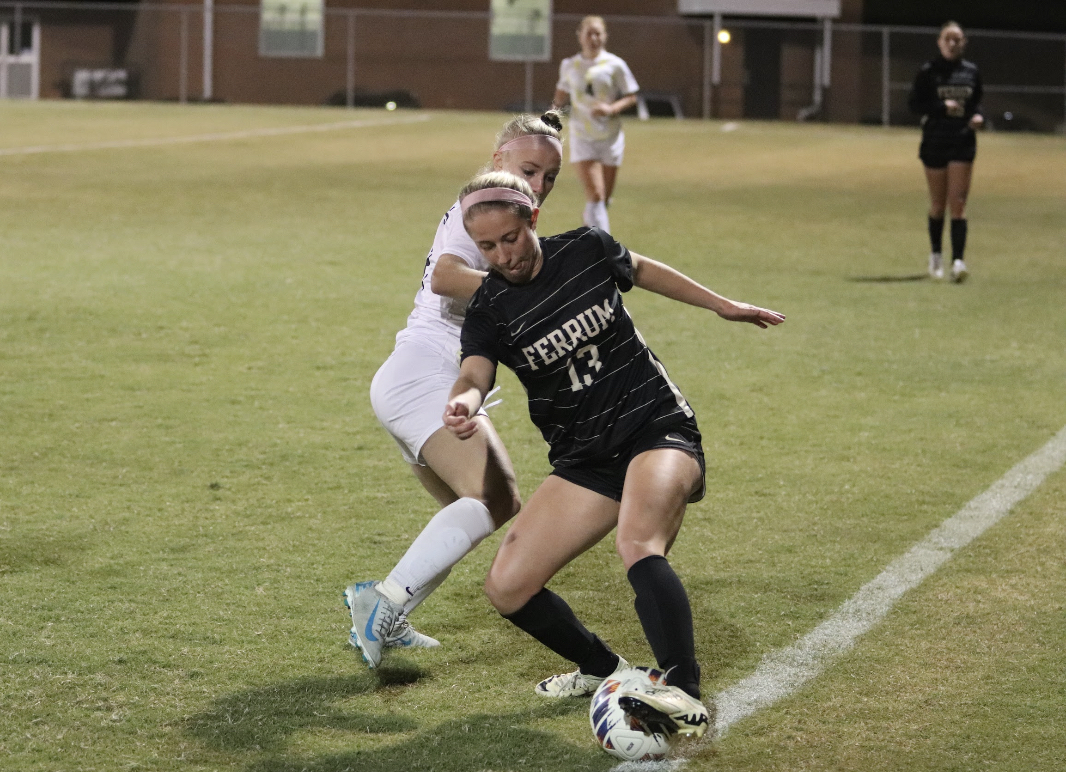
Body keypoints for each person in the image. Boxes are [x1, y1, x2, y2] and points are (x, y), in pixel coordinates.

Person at [442, 171, 785, 737]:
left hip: (656, 428)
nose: (503, 255)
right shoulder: (489, 307)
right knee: (506, 586)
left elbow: (642, 269)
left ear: (532, 220)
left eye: (510, 237)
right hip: (585, 459)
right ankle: (605, 670)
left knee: (637, 541)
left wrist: (721, 305)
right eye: (486, 246)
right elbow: (475, 369)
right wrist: (464, 401)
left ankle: (683, 694)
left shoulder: (584, 247)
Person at [345, 113, 564, 669]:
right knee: (497, 496)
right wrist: (524, 289)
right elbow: (445, 276)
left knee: (476, 510)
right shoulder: (474, 214)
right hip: (425, 375)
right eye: (529, 169)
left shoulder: (504, 228)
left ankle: (382, 609)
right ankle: (383, 604)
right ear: (497, 162)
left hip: (421, 379)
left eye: (549, 177)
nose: (538, 185)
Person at [908, 20, 983, 283]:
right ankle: (936, 255)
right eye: (947, 39)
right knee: (938, 205)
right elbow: (914, 104)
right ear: (940, 42)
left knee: (958, 205)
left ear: (963, 43)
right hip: (935, 141)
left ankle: (958, 261)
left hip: (962, 142)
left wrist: (977, 118)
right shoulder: (929, 71)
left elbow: (976, 104)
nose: (952, 43)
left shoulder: (971, 72)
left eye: (957, 39)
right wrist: (941, 106)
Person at [552, 15, 639, 234]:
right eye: (589, 33)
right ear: (580, 36)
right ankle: (603, 248)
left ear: (605, 36)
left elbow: (631, 96)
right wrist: (551, 115)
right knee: (596, 195)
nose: (593, 38)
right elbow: (561, 94)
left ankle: (589, 225)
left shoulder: (615, 64)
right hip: (582, 135)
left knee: (603, 199)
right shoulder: (570, 65)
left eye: (598, 33)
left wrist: (612, 109)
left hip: (610, 136)